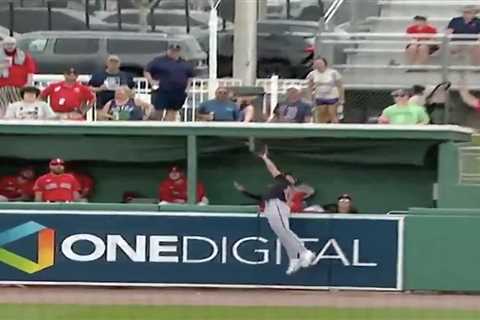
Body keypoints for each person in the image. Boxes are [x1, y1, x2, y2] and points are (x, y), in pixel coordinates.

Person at [249, 145, 315, 275]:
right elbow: (272, 169)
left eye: (291, 177)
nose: (289, 177)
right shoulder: (281, 181)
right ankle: (293, 258)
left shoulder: (290, 186)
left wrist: (291, 194)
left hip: (278, 205)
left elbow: (305, 192)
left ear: (293, 180)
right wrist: (265, 158)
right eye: (287, 175)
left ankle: (304, 252)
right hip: (270, 206)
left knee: (284, 231)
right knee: (281, 234)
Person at [144, 44, 194, 121]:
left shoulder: (185, 63)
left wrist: (187, 88)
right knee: (157, 112)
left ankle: (166, 131)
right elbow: (147, 71)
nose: (174, 52)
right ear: (168, 50)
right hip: (161, 91)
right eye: (172, 50)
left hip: (178, 92)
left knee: (172, 112)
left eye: (176, 51)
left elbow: (190, 76)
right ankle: (152, 129)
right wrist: (151, 81)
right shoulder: (158, 61)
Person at [0, 37, 36, 118]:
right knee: (2, 108)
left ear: (16, 45)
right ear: (3, 45)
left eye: (12, 44)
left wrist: (28, 84)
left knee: (19, 107)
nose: (10, 46)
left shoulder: (23, 56)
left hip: (18, 87)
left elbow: (30, 71)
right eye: (7, 44)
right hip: (1, 87)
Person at [307, 57, 344, 123]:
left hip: (332, 97)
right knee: (321, 115)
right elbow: (309, 87)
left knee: (332, 113)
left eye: (320, 63)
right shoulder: (312, 74)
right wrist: (310, 98)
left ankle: (335, 128)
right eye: (317, 63)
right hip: (319, 97)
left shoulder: (333, 73)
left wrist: (341, 98)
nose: (319, 65)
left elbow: (340, 86)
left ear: (325, 64)